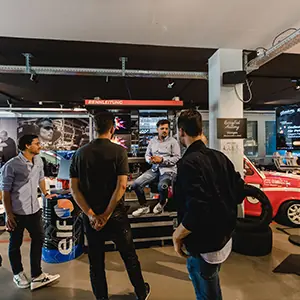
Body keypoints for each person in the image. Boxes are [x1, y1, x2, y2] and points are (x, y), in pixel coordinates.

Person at [70, 111, 150, 300]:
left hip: (91, 218)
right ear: (112, 129)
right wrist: (107, 214)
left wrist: (91, 215)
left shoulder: (80, 153)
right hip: (116, 215)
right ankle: (140, 292)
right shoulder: (119, 151)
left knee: (95, 263)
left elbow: (74, 190)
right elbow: (122, 185)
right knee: (129, 257)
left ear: (94, 128)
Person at [172, 110, 245, 300]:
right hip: (224, 239)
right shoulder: (220, 157)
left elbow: (197, 208)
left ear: (181, 131)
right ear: (201, 129)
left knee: (206, 292)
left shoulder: (187, 163)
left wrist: (178, 235)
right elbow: (239, 192)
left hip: (204, 244)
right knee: (212, 281)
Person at [0, 134, 60, 290]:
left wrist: (46, 193)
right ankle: (18, 273)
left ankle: (37, 275)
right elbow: (5, 192)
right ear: (27, 146)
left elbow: (40, 179)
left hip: (34, 210)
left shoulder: (39, 160)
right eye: (36, 143)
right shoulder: (11, 166)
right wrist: (9, 214)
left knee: (39, 240)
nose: (40, 146)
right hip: (17, 212)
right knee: (15, 244)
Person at [131, 120, 181, 217]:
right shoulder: (153, 141)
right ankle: (144, 206)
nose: (164, 130)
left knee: (162, 186)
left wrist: (162, 160)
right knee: (136, 185)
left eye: (166, 128)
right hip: (154, 169)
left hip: (168, 170)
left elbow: (177, 158)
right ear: (157, 129)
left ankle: (162, 203)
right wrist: (150, 160)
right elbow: (147, 155)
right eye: (162, 128)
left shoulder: (173, 142)